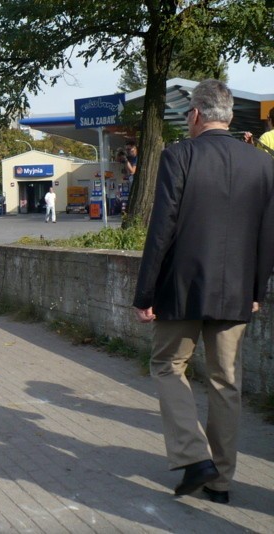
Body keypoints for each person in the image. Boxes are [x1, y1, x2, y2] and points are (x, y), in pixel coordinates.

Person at [133, 79, 274, 505]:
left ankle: (195, 458)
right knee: (225, 381)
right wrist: (258, 289)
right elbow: (268, 235)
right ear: (228, 116)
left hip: (182, 288)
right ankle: (222, 482)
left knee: (166, 366)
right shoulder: (263, 164)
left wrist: (145, 293)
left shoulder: (180, 155)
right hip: (236, 293)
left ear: (195, 114)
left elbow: (162, 229)